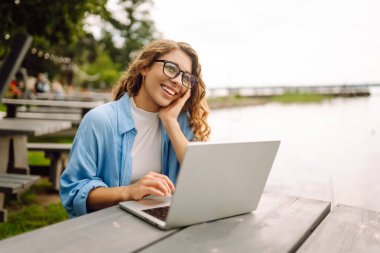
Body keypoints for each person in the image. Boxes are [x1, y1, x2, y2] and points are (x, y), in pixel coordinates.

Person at [60, 40, 211, 217]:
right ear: (144, 67)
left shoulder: (181, 123)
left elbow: (202, 181)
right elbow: (75, 192)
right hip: (109, 226)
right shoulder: (100, 121)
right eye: (171, 68)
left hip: (166, 224)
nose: (178, 81)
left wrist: (170, 122)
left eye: (186, 77)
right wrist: (130, 192)